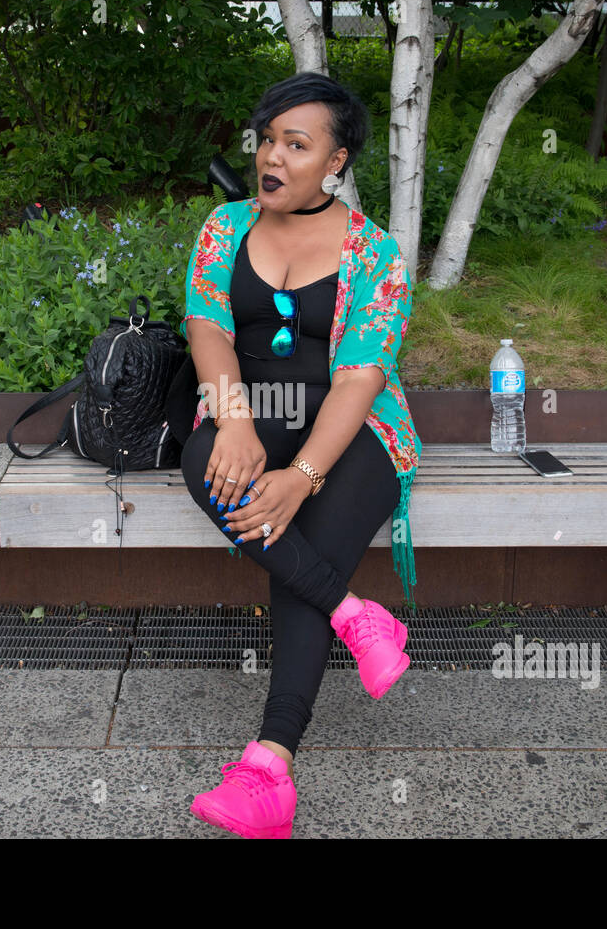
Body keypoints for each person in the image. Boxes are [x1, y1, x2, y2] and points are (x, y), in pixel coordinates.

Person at [177, 72, 423, 838]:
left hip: (354, 434)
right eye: (266, 140)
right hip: (256, 415)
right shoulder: (225, 227)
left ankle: (269, 768)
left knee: (301, 551)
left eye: (296, 143)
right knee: (203, 463)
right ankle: (356, 616)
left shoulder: (375, 253)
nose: (271, 157)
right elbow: (209, 329)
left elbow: (359, 378)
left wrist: (303, 476)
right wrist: (237, 423)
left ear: (336, 162)